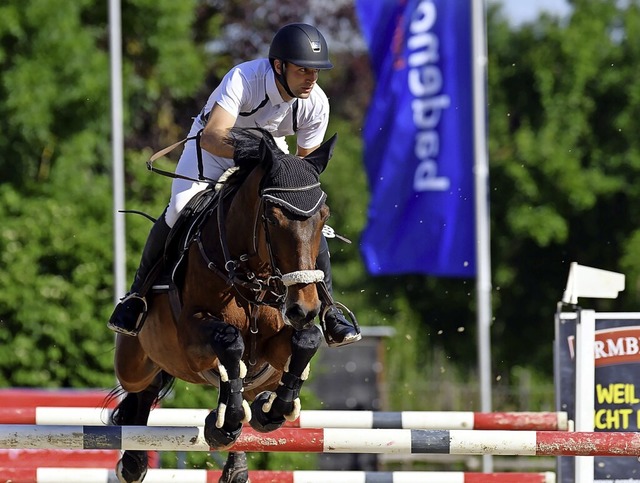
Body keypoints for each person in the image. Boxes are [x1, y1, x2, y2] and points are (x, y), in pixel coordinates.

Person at [108, 23, 361, 347]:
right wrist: (259, 156)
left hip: (270, 154)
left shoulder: (316, 103)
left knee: (303, 215)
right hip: (214, 150)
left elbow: (304, 171)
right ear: (279, 66)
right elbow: (214, 136)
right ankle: (137, 297)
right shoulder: (244, 79)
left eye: (316, 71)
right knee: (180, 208)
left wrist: (292, 189)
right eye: (303, 71)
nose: (311, 79)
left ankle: (329, 311)